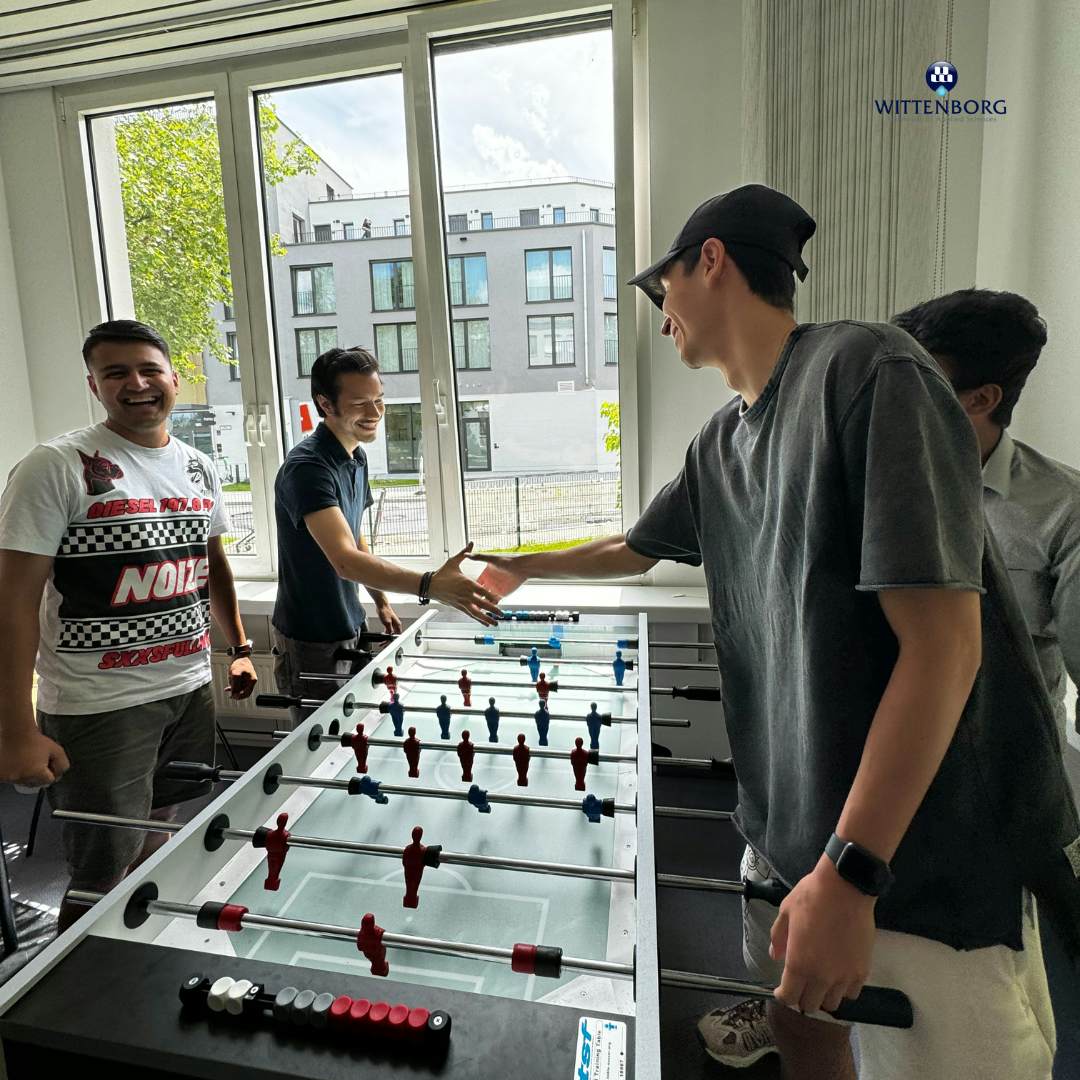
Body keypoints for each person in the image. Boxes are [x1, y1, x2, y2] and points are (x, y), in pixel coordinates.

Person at [472, 185, 1080, 1079]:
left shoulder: (869, 370)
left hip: (922, 859)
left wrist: (852, 871)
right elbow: (635, 547)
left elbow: (945, 647)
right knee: (804, 1032)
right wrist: (521, 563)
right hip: (789, 830)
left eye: (663, 289)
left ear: (711, 261)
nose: (662, 316)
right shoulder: (721, 442)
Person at [0, 319, 257, 932]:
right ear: (94, 386)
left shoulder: (197, 466)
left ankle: (136, 949)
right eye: (116, 373)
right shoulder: (54, 466)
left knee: (160, 828)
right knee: (100, 869)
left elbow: (212, 564)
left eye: (149, 370)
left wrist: (240, 648)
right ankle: (75, 979)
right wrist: (13, 729)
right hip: (99, 705)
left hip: (187, 687)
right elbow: (12, 602)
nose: (137, 384)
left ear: (174, 378)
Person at [892, 288, 1080, 1078]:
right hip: (890, 759)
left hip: (997, 785)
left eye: (921, 381)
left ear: (982, 398)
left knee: (993, 1003)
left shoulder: (1060, 508)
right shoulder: (881, 478)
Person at [272, 346, 500, 723]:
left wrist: (380, 600)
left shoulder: (354, 456)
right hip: (309, 637)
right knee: (321, 743)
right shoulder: (307, 468)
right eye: (360, 403)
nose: (376, 413)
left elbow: (355, 538)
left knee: (354, 731)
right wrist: (429, 585)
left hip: (350, 621)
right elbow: (345, 560)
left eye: (379, 400)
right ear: (325, 404)